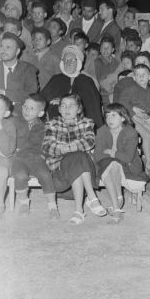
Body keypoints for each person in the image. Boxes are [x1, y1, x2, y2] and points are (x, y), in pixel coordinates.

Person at [42, 93, 106, 225]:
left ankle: (79, 211)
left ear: (79, 109)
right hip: (60, 165)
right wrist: (66, 149)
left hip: (84, 166)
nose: (67, 109)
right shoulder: (52, 124)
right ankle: (92, 198)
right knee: (78, 156)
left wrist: (68, 148)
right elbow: (47, 146)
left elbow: (89, 141)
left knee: (78, 157)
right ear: (59, 109)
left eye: (71, 106)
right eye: (63, 106)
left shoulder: (87, 122)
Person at [94, 103, 148, 224]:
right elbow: (97, 155)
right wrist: (114, 156)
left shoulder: (131, 132)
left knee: (113, 164)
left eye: (113, 115)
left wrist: (111, 152)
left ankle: (117, 205)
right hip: (106, 164)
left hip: (128, 166)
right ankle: (117, 206)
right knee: (112, 164)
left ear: (123, 117)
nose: (109, 119)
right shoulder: (101, 131)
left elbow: (128, 158)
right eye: (107, 116)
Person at [11, 94, 59, 219]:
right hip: (19, 158)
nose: (26, 110)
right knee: (20, 176)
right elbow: (10, 138)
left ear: (40, 113)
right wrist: (13, 150)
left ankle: (52, 206)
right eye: (25, 106)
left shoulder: (45, 127)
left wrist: (44, 155)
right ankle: (24, 203)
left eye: (31, 108)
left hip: (37, 158)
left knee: (45, 175)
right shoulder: (16, 123)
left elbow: (49, 143)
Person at [41, 44, 104, 128]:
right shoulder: (56, 79)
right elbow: (41, 101)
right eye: (66, 60)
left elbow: (92, 109)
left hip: (81, 127)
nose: (68, 63)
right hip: (55, 126)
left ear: (78, 62)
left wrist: (63, 101)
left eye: (72, 60)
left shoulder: (86, 81)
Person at [117, 63, 150, 170]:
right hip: (131, 118)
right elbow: (122, 102)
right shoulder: (130, 89)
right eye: (138, 75)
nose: (141, 77)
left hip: (144, 118)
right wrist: (133, 110)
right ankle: (149, 160)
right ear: (134, 78)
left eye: (144, 74)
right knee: (146, 134)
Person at [0, 32, 38, 112]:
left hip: (20, 112)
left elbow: (32, 94)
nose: (3, 50)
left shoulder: (28, 69)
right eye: (1, 46)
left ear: (17, 51)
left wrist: (5, 93)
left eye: (8, 47)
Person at [0, 93, 17, 217]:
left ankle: (0, 203)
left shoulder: (9, 126)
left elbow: (8, 151)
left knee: (2, 171)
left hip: (4, 161)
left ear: (6, 113)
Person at [94, 36, 121, 106]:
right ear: (100, 49)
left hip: (115, 93)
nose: (105, 50)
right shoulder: (97, 62)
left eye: (108, 48)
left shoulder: (116, 62)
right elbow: (97, 80)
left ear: (112, 50)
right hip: (103, 94)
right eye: (103, 48)